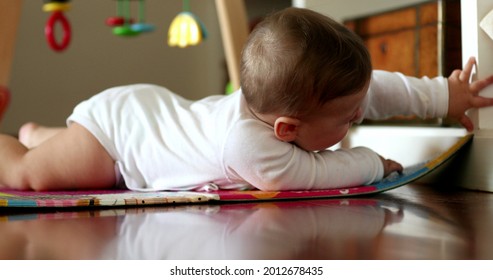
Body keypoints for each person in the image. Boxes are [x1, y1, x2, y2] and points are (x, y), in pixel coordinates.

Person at [2, 7, 493, 192]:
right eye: (348, 118)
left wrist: (442, 97)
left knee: (59, 150)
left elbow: (373, 89)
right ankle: (18, 143)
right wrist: (373, 162)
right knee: (33, 176)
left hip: (154, 111)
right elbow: (320, 174)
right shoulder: (251, 149)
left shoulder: (295, 105)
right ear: (287, 130)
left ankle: (43, 135)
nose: (358, 117)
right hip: (121, 138)